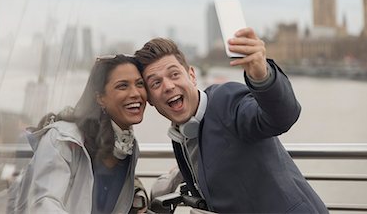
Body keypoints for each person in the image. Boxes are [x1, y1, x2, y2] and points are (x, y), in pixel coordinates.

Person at [135, 28, 328, 213]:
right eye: (156, 83)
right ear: (150, 99)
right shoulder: (182, 133)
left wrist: (262, 75)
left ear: (192, 75)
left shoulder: (227, 101)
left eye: (174, 74)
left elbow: (282, 116)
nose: (168, 86)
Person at [9, 54, 147, 214]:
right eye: (123, 86)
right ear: (100, 98)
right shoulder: (62, 139)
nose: (136, 93)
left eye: (140, 84)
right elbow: (43, 203)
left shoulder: (127, 147)